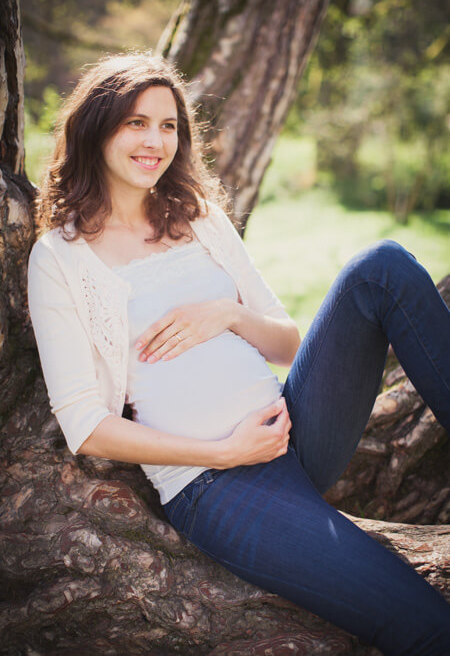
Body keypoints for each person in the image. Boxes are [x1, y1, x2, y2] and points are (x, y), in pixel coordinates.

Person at [28, 51, 450, 655]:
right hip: (217, 486)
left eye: (169, 125)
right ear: (97, 129)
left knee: (379, 268)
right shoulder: (61, 258)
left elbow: (286, 342)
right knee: (427, 623)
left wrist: (226, 314)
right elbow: (85, 424)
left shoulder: (198, 218)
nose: (156, 141)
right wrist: (223, 452)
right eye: (136, 123)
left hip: (292, 426)